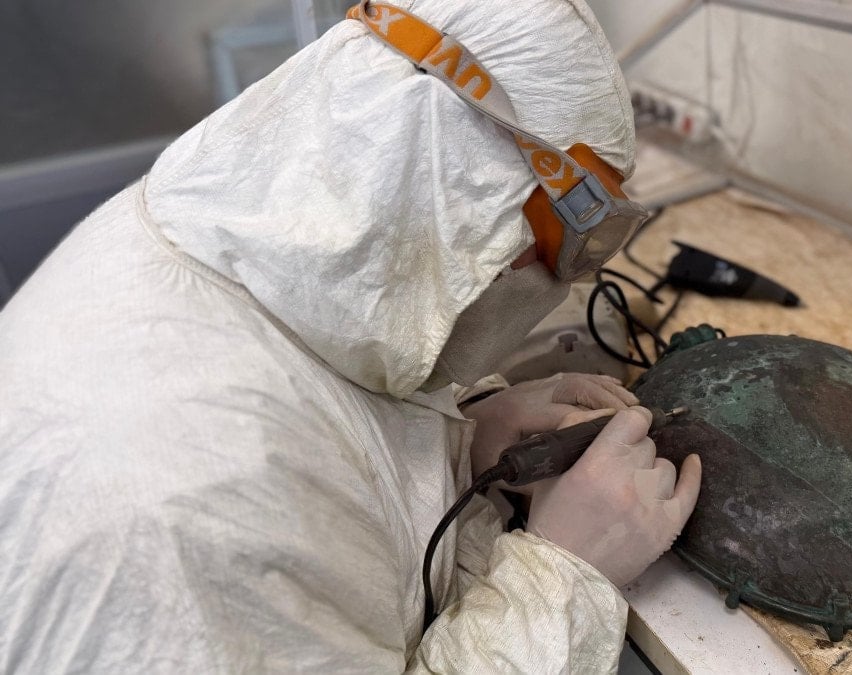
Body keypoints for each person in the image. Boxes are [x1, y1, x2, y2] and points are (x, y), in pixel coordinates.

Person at [0, 0, 702, 671]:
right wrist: (562, 575)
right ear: (465, 194)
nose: (560, 277)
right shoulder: (187, 508)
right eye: (571, 236)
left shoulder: (230, 242)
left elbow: (335, 398)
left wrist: (460, 434)